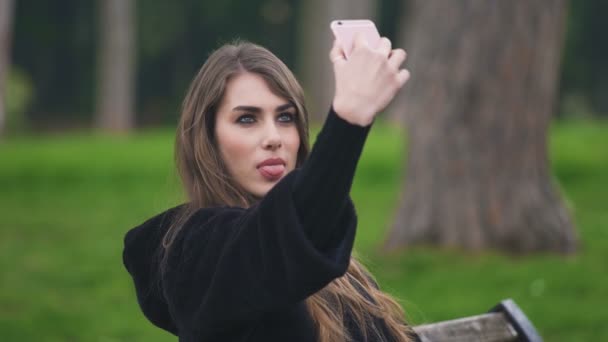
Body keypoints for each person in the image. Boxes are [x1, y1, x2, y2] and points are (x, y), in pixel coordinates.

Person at [123, 34, 416, 342]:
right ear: (207, 138)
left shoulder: (345, 276)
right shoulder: (194, 252)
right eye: (247, 119)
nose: (274, 137)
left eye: (285, 117)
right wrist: (350, 118)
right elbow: (282, 236)